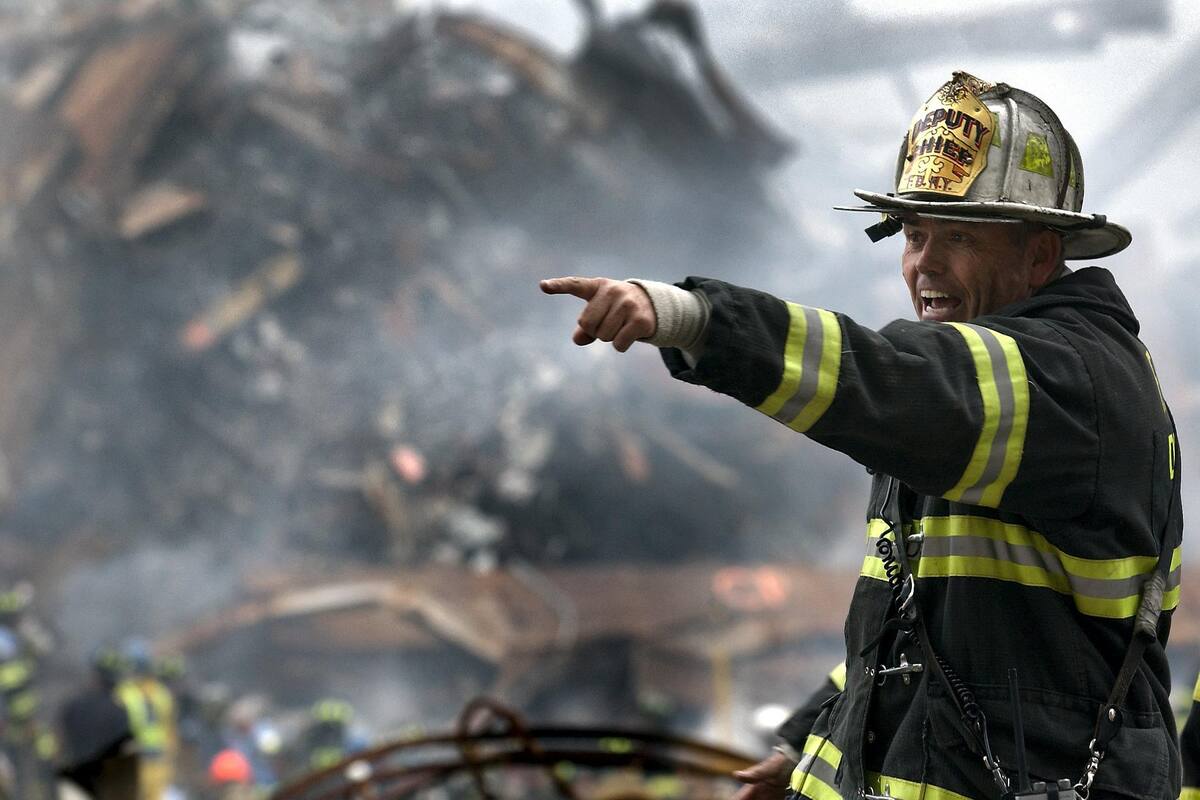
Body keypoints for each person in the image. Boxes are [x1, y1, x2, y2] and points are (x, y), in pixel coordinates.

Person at [542, 71, 1182, 799]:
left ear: (1040, 256)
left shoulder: (1071, 378)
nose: (925, 265)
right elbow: (918, 625)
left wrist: (700, 319)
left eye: (959, 238)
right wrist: (812, 739)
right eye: (914, 235)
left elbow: (890, 378)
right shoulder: (987, 397)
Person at [57, 646, 138, 800]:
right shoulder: (119, 712)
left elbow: (60, 745)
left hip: (77, 780)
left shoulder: (73, 707)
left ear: (95, 675)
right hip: (108, 783)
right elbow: (125, 754)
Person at [115, 638, 178, 800]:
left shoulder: (159, 694)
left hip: (156, 760)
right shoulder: (124, 693)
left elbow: (169, 728)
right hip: (136, 759)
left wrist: (170, 758)